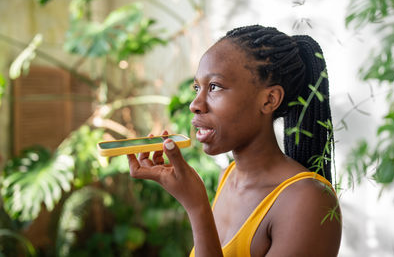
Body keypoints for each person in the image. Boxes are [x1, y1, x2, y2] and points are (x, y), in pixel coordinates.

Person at [128, 25, 342, 257]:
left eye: (215, 87)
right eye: (197, 87)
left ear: (269, 100)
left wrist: (197, 208)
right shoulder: (228, 177)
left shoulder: (309, 202)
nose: (194, 104)